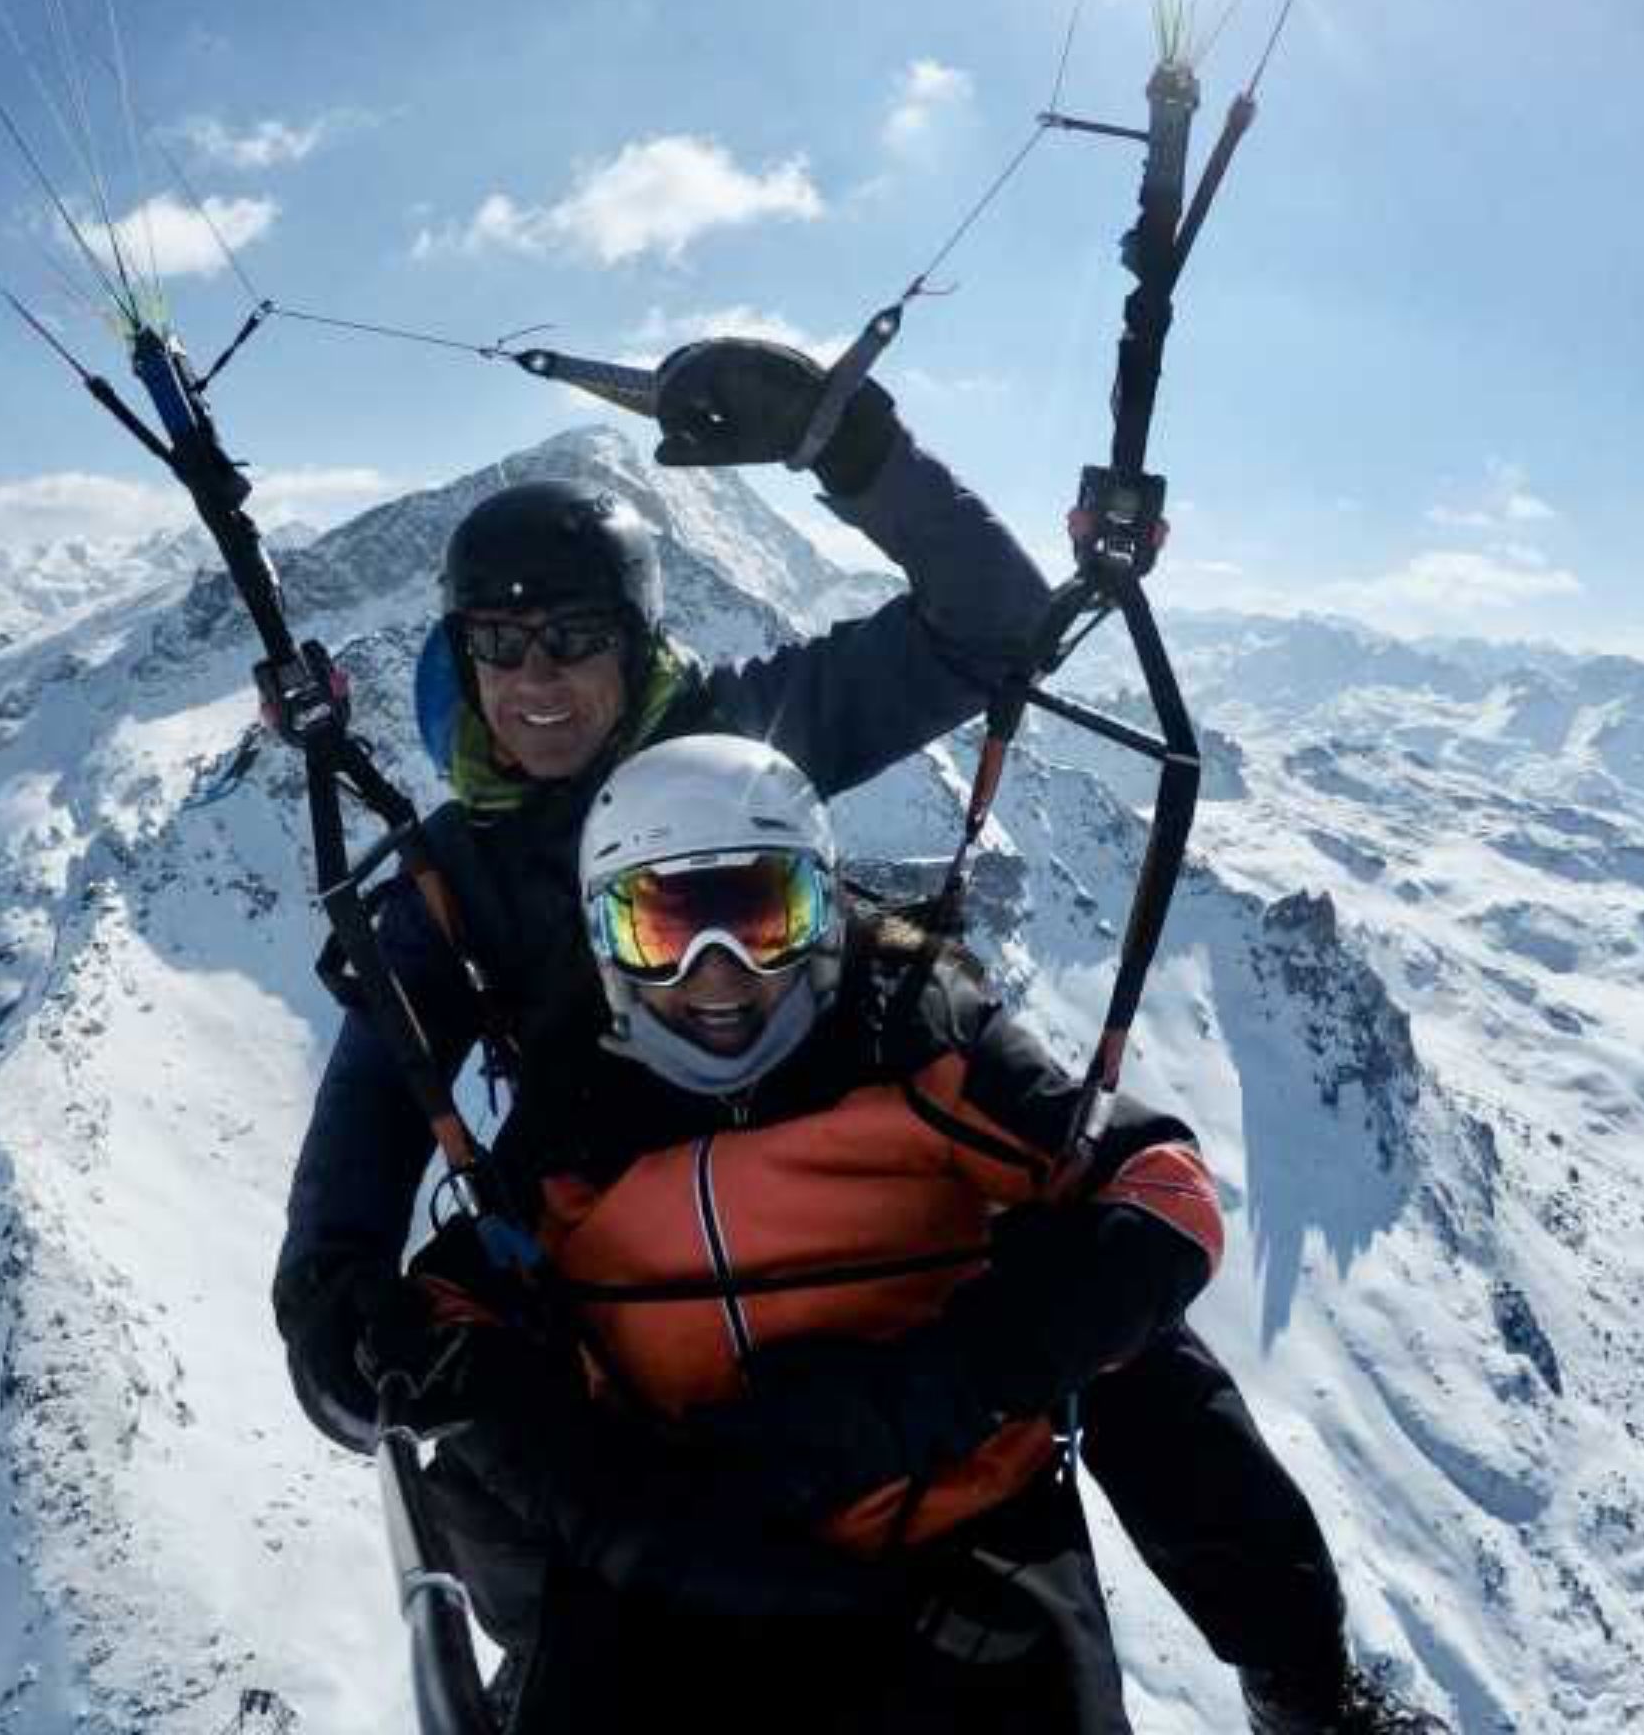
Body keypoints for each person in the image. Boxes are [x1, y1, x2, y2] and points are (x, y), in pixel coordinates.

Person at [269, 339, 1417, 1730]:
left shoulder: (745, 737)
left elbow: (992, 624)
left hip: (845, 1133)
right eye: (500, 646)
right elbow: (376, 1104)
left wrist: (852, 449)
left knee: (1118, 1332)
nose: (538, 679)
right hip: (617, 1194)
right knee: (508, 1433)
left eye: (574, 635)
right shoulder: (456, 882)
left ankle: (1302, 1682)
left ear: (638, 645)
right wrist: (334, 1289)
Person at [411, 732, 1224, 1731]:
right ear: (603, 942)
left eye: (761, 916)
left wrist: (915, 1397)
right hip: (687, 1569)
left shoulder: (914, 1039)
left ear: (826, 913)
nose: (718, 976)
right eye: (662, 929)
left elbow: (1164, 1193)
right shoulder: (579, 1113)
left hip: (958, 1538)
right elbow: (447, 1311)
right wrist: (615, 1510)